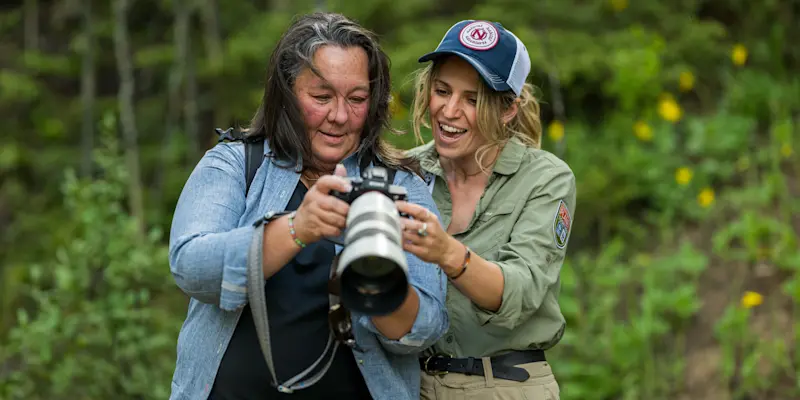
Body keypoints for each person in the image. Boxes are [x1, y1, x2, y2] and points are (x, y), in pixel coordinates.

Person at [167, 12, 449, 400]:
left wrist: (376, 274)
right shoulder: (236, 164)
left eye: (357, 99)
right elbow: (190, 267)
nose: (339, 116)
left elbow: (425, 329)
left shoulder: (399, 185)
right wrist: (298, 228)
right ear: (285, 93)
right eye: (321, 97)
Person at [395, 20, 577, 400]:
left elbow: (519, 293)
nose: (449, 110)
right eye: (441, 91)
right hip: (411, 385)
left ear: (508, 108)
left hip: (506, 385)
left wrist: (446, 252)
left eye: (472, 99)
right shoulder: (403, 173)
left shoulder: (545, 179)